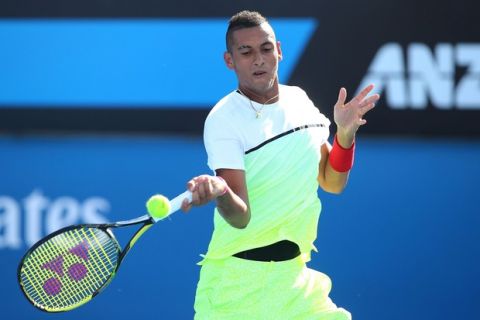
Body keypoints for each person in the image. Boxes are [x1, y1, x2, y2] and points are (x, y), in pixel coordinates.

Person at [181, 10, 379, 319]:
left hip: (296, 283)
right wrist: (221, 191)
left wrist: (344, 135)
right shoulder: (223, 120)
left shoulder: (299, 100)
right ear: (229, 60)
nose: (258, 59)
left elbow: (332, 182)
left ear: (279, 51)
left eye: (265, 48)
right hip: (236, 288)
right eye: (245, 52)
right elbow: (240, 217)